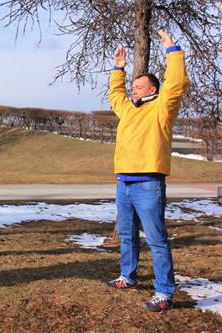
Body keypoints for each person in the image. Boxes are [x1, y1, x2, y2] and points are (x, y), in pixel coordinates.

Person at [106, 30, 189, 312]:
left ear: (152, 89)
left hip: (148, 184)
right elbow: (116, 95)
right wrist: (118, 69)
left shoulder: (162, 108)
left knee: (156, 239)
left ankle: (164, 292)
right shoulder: (129, 110)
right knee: (127, 235)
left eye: (138, 87)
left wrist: (172, 50)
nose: (134, 90)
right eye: (133, 86)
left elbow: (176, 84)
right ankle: (127, 277)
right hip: (124, 183)